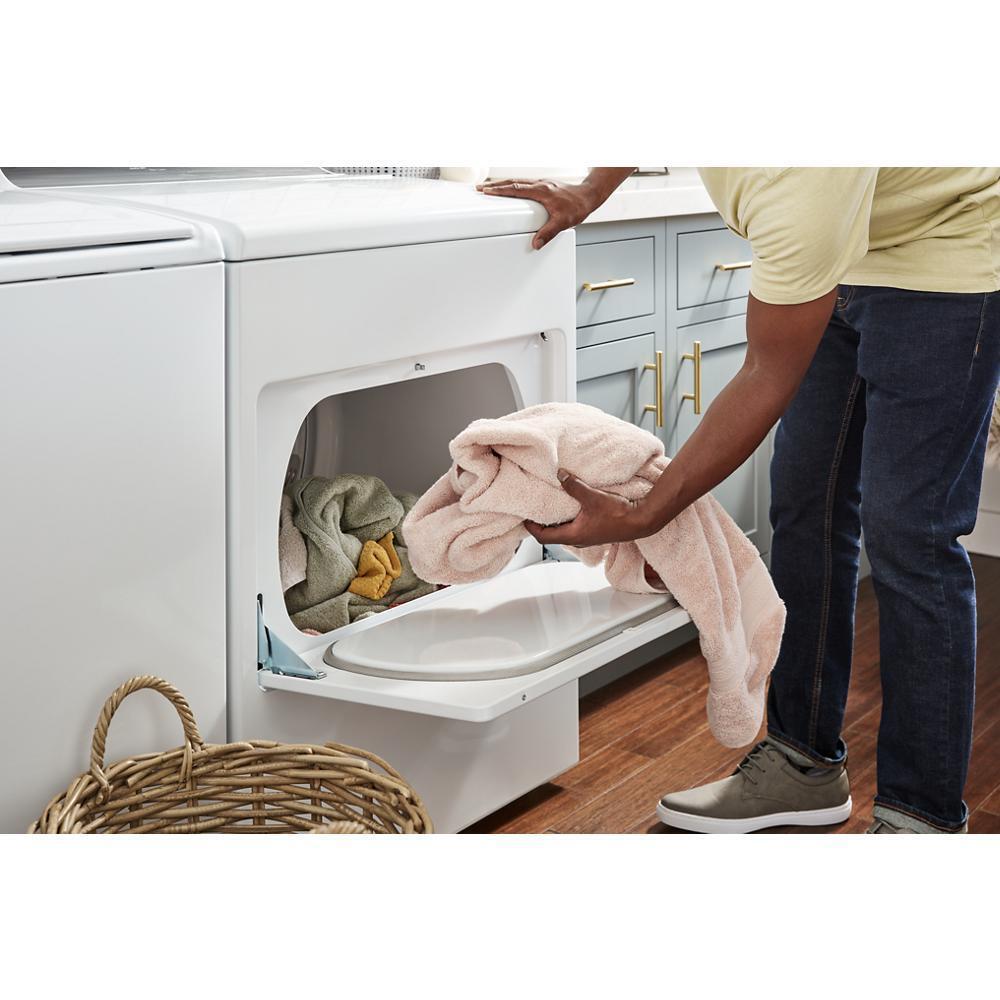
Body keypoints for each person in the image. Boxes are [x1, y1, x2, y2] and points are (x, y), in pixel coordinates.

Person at [479, 167, 1000, 834]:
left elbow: (765, 371)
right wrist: (590, 190)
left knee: (909, 534)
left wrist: (644, 513)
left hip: (945, 254)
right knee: (804, 509)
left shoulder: (798, 176)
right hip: (839, 252)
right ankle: (803, 764)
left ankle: (922, 817)